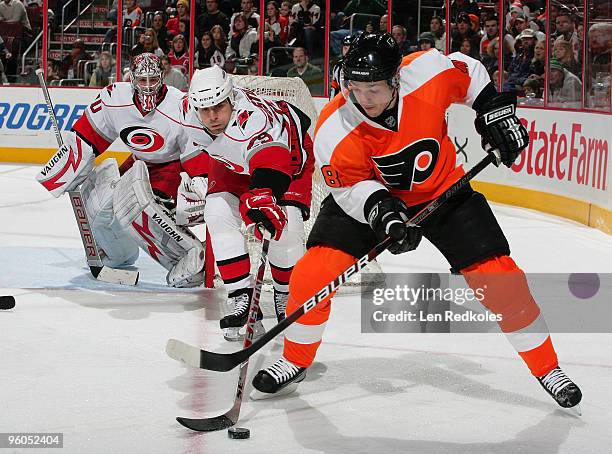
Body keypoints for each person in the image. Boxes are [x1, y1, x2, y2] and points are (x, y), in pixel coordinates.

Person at [251, 33, 582, 414]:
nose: (363, 98)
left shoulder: (426, 71)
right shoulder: (334, 126)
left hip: (444, 192)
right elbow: (350, 189)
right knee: (313, 273)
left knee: (501, 279)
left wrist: (493, 110)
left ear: (395, 80)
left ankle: (548, 369)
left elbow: (471, 72)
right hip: (369, 203)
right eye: (355, 87)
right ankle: (295, 359)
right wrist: (383, 212)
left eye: (373, 87)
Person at [35, 53, 205, 288]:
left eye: (152, 80)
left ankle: (191, 256)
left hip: (170, 167)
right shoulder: (114, 96)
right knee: (100, 204)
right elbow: (88, 135)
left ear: (162, 78)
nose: (147, 87)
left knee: (141, 208)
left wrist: (198, 184)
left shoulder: (180, 105)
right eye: (142, 80)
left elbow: (195, 155)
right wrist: (69, 167)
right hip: (138, 163)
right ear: (132, 78)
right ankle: (120, 254)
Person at [179, 66, 315, 340]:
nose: (212, 116)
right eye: (205, 110)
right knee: (217, 212)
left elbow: (271, 159)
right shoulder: (188, 111)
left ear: (231, 98)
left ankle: (284, 294)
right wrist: (196, 177)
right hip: (234, 164)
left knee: (285, 229)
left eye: (218, 107)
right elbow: (188, 145)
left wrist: (263, 196)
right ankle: (242, 297)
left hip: (285, 159)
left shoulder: (251, 119)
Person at [329, 34, 354, 99]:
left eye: (350, 49)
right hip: (343, 105)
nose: (347, 52)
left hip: (358, 106)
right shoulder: (338, 66)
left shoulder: (362, 67)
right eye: (345, 48)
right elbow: (334, 88)